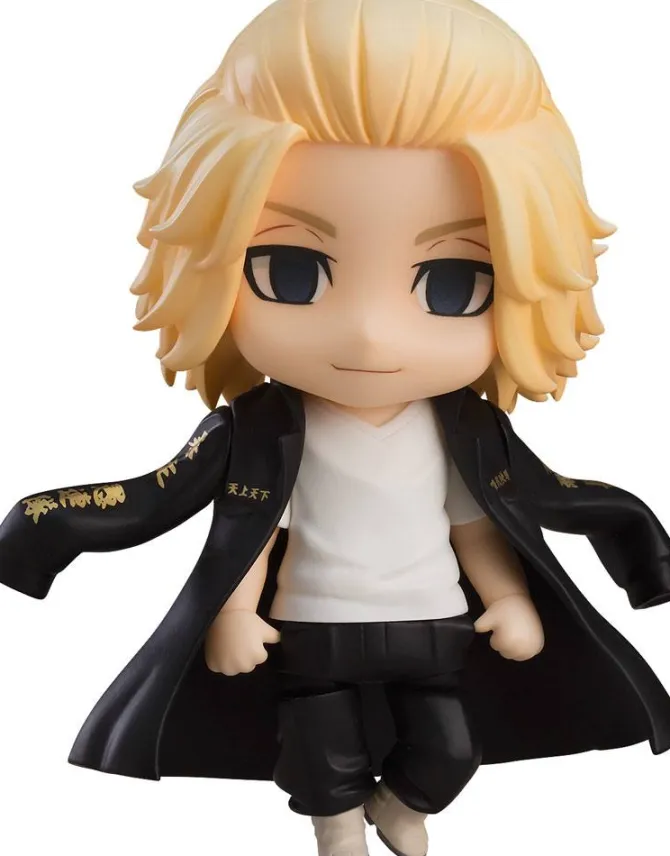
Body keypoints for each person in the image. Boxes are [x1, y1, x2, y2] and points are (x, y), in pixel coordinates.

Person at [2, 2, 670, 856]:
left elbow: (479, 527)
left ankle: (404, 802)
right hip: (312, 628)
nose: (369, 335)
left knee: (452, 751)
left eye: (453, 284)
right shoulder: (266, 431)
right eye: (290, 271)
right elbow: (246, 532)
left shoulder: (465, 433)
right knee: (320, 752)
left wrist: (507, 599)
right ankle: (335, 826)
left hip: (434, 627)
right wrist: (230, 612)